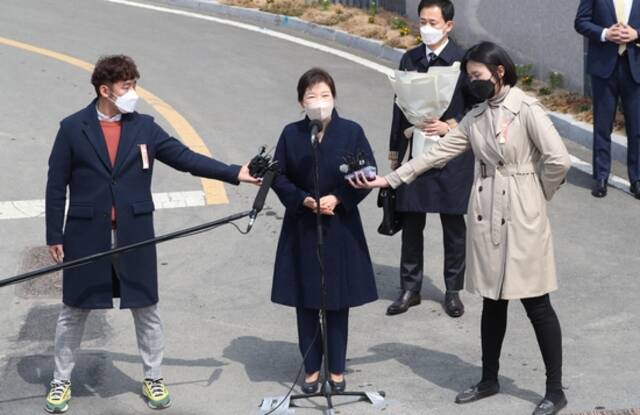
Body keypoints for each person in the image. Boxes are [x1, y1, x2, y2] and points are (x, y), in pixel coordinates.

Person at [351, 42, 571, 415]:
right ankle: (489, 378)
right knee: (492, 300)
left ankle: (555, 389)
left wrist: (537, 194)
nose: (472, 83)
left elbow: (559, 160)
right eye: (469, 77)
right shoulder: (477, 115)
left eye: (477, 76)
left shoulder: (526, 108)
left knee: (537, 303)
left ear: (499, 71)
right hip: (487, 210)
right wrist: (391, 181)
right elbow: (437, 151)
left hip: (521, 211)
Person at [44, 55, 258, 413]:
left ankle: (153, 377)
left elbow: (186, 158)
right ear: (105, 90)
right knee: (74, 311)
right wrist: (55, 234)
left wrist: (236, 172)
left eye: (134, 84)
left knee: (146, 308)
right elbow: (55, 185)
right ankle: (60, 381)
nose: (134, 93)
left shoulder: (145, 127)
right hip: (85, 233)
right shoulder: (71, 128)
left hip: (134, 232)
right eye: (127, 87)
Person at [270, 68, 378, 394]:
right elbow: (278, 175)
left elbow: (369, 171)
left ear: (334, 98)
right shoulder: (291, 134)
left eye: (325, 96)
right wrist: (302, 199)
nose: (319, 103)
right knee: (306, 301)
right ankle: (312, 369)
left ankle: (337, 368)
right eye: (312, 97)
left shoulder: (351, 131)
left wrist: (340, 198)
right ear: (301, 101)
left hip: (339, 225)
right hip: (302, 224)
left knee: (337, 301)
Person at [387, 0, 478, 318]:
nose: (426, 27)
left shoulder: (463, 60)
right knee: (411, 221)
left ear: (449, 26)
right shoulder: (409, 57)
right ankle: (409, 288)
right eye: (422, 21)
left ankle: (452, 291)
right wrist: (395, 152)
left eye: (433, 22)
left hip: (452, 153)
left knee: (453, 224)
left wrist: (452, 125)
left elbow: (478, 107)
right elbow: (399, 107)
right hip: (417, 150)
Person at [575, 0, 640, 199]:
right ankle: (601, 177)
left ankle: (636, 179)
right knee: (602, 127)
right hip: (603, 68)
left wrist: (637, 34)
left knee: (637, 128)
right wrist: (605, 33)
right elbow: (581, 22)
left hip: (635, 68)